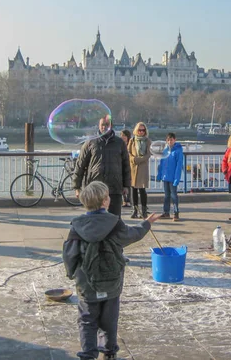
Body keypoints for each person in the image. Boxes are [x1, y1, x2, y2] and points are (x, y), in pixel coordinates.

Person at [63, 181, 160, 360]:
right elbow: (132, 235)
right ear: (104, 202)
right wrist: (146, 224)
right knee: (109, 319)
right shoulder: (114, 223)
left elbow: (69, 254)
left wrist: (72, 273)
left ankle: (88, 354)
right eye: (107, 196)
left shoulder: (77, 225)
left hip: (87, 282)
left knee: (87, 319)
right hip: (111, 280)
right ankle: (109, 352)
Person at [73, 115, 131, 217]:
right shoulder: (90, 142)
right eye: (102, 125)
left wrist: (126, 185)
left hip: (114, 188)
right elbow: (80, 165)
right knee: (94, 219)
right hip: (95, 188)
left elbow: (126, 165)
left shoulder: (120, 143)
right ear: (99, 126)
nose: (104, 127)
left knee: (115, 219)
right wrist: (77, 187)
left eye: (107, 124)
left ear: (111, 126)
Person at [157, 132, 183, 221]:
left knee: (174, 195)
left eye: (171, 140)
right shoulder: (165, 150)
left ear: (174, 140)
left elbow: (179, 166)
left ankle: (176, 213)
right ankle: (166, 212)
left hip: (172, 178)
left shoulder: (178, 151)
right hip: (165, 177)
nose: (169, 141)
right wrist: (159, 174)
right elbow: (161, 163)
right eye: (168, 140)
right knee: (166, 195)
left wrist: (177, 178)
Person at [128, 122, 152, 219]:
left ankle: (144, 210)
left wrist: (139, 159)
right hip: (133, 167)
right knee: (133, 189)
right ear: (136, 131)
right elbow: (128, 152)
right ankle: (135, 210)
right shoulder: (132, 140)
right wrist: (133, 159)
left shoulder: (148, 141)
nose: (141, 132)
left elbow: (148, 154)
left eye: (143, 130)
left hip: (143, 167)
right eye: (139, 130)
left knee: (142, 190)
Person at [119, 129, 132, 209]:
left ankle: (128, 200)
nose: (123, 137)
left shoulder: (130, 144)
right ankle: (124, 200)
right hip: (121, 165)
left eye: (124, 135)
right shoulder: (119, 144)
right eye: (122, 135)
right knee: (122, 183)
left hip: (129, 165)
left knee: (128, 184)